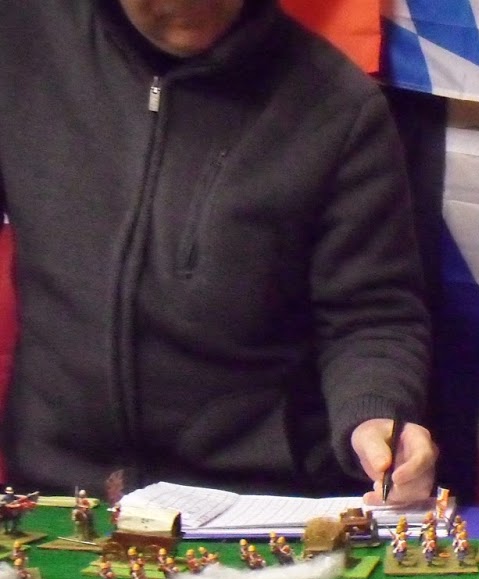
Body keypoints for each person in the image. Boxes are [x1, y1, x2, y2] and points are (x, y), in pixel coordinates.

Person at [0, 1, 437, 501]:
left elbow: (371, 314)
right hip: (56, 491)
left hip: (254, 497)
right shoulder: (21, 38)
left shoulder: (337, 106)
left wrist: (374, 414)